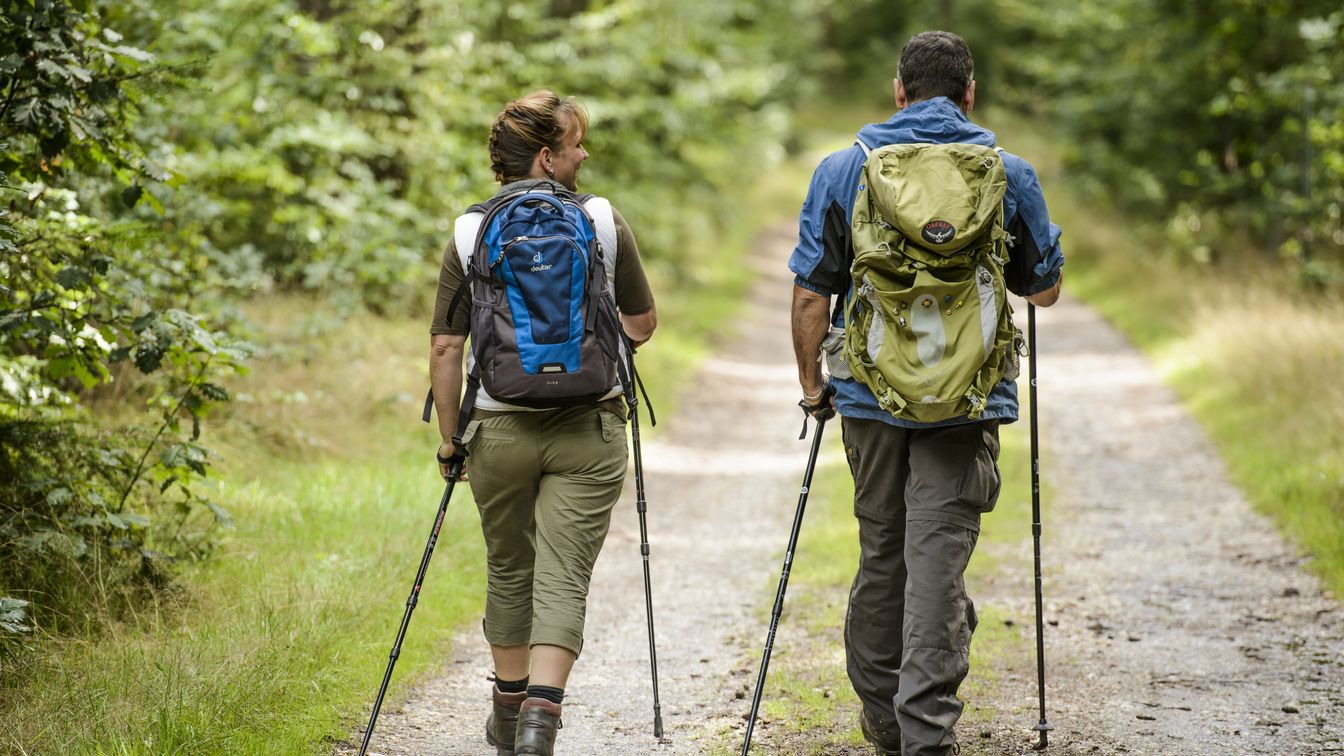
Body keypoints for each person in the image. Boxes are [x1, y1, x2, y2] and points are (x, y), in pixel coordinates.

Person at [788, 32, 1064, 756]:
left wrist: (814, 385)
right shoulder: (1008, 173)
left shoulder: (845, 169)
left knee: (883, 553)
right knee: (938, 562)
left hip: (871, 398)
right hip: (967, 400)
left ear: (898, 91)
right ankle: (927, 734)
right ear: (969, 94)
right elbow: (1046, 288)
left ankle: (884, 720)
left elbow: (812, 293)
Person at [428, 90, 657, 756]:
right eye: (576, 143)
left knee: (509, 567)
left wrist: (451, 440)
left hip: (496, 427)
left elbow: (446, 346)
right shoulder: (602, 219)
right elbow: (641, 325)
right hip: (589, 426)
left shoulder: (469, 231)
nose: (584, 153)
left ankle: (507, 708)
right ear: (546, 156)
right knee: (563, 575)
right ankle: (540, 723)